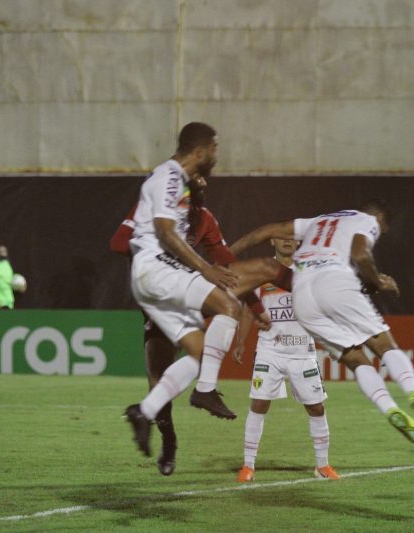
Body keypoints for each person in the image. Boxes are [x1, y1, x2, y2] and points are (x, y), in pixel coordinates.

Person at [123, 122, 288, 459]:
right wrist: (205, 269)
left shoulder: (183, 189)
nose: (216, 156)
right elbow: (166, 232)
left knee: (200, 353)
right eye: (214, 148)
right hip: (155, 271)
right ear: (199, 151)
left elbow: (214, 251)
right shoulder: (168, 177)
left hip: (156, 278)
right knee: (228, 303)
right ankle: (205, 391)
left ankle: (145, 411)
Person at [229, 200, 414, 445]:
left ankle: (390, 409)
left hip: (301, 294)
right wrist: (377, 281)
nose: (381, 233)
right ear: (381, 221)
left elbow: (265, 231)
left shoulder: (318, 221)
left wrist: (227, 254)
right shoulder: (367, 221)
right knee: (384, 347)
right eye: (383, 230)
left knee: (356, 360)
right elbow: (360, 254)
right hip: (335, 280)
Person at [111, 169, 271, 475]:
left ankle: (205, 389)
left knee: (225, 310)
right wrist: (161, 257)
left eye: (202, 178)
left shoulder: (204, 218)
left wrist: (254, 303)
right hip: (159, 299)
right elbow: (119, 243)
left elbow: (226, 262)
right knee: (158, 382)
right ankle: (169, 441)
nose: (202, 182)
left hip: (188, 291)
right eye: (196, 177)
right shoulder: (153, 214)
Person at [235, 237, 340, 482]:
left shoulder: (308, 271)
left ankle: (322, 466)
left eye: (292, 238)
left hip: (302, 351)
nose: (287, 242)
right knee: (259, 403)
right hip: (270, 349)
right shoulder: (264, 271)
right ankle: (248, 466)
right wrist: (240, 340)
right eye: (282, 237)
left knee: (316, 407)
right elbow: (249, 308)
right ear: (273, 241)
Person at [0, 245, 16, 310]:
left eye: (3, 251)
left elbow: (11, 282)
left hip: (10, 304)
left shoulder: (9, 265)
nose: (1, 253)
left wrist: (20, 286)